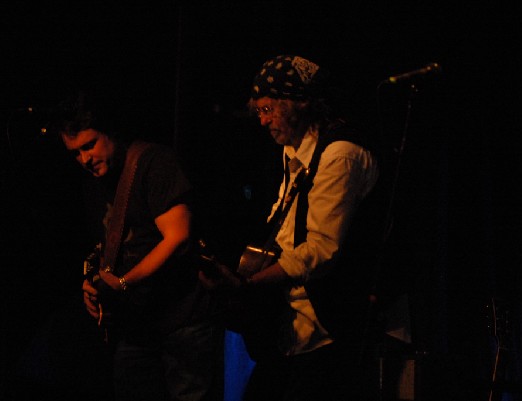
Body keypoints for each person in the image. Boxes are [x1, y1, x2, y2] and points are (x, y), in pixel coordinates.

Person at [200, 55, 380, 401]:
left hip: (328, 324)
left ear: (297, 103)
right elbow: (284, 230)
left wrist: (249, 284)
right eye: (259, 112)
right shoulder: (293, 150)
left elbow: (321, 250)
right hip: (294, 326)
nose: (263, 121)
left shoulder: (339, 153)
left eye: (269, 110)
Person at [49, 89, 223, 401]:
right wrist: (93, 281)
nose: (84, 159)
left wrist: (124, 283)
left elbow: (178, 236)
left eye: (90, 145)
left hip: (183, 319)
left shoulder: (153, 163)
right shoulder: (94, 182)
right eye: (75, 153)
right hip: (136, 325)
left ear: (110, 133)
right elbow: (106, 244)